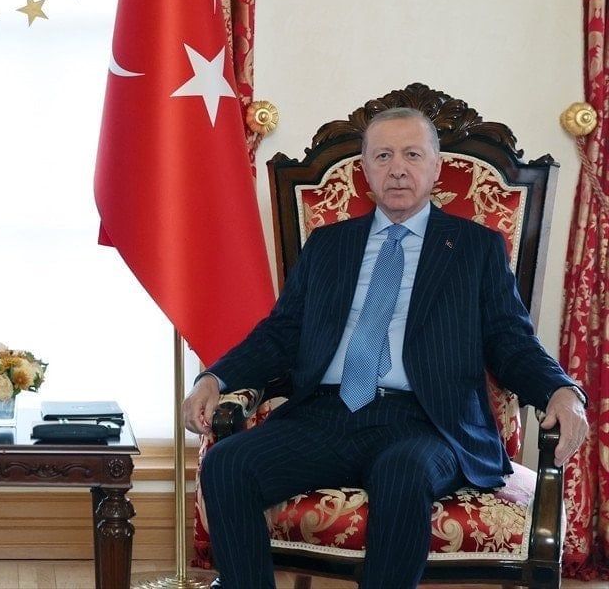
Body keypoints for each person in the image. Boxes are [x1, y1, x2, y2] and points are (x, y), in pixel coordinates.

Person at [182, 107, 589, 589]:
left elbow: (510, 340)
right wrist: (215, 377)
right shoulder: (328, 245)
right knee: (227, 464)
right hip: (325, 413)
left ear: (435, 167)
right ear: (365, 170)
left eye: (412, 155)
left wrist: (561, 390)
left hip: (425, 421)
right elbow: (281, 332)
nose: (397, 168)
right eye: (383, 156)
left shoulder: (476, 248)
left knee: (402, 473)